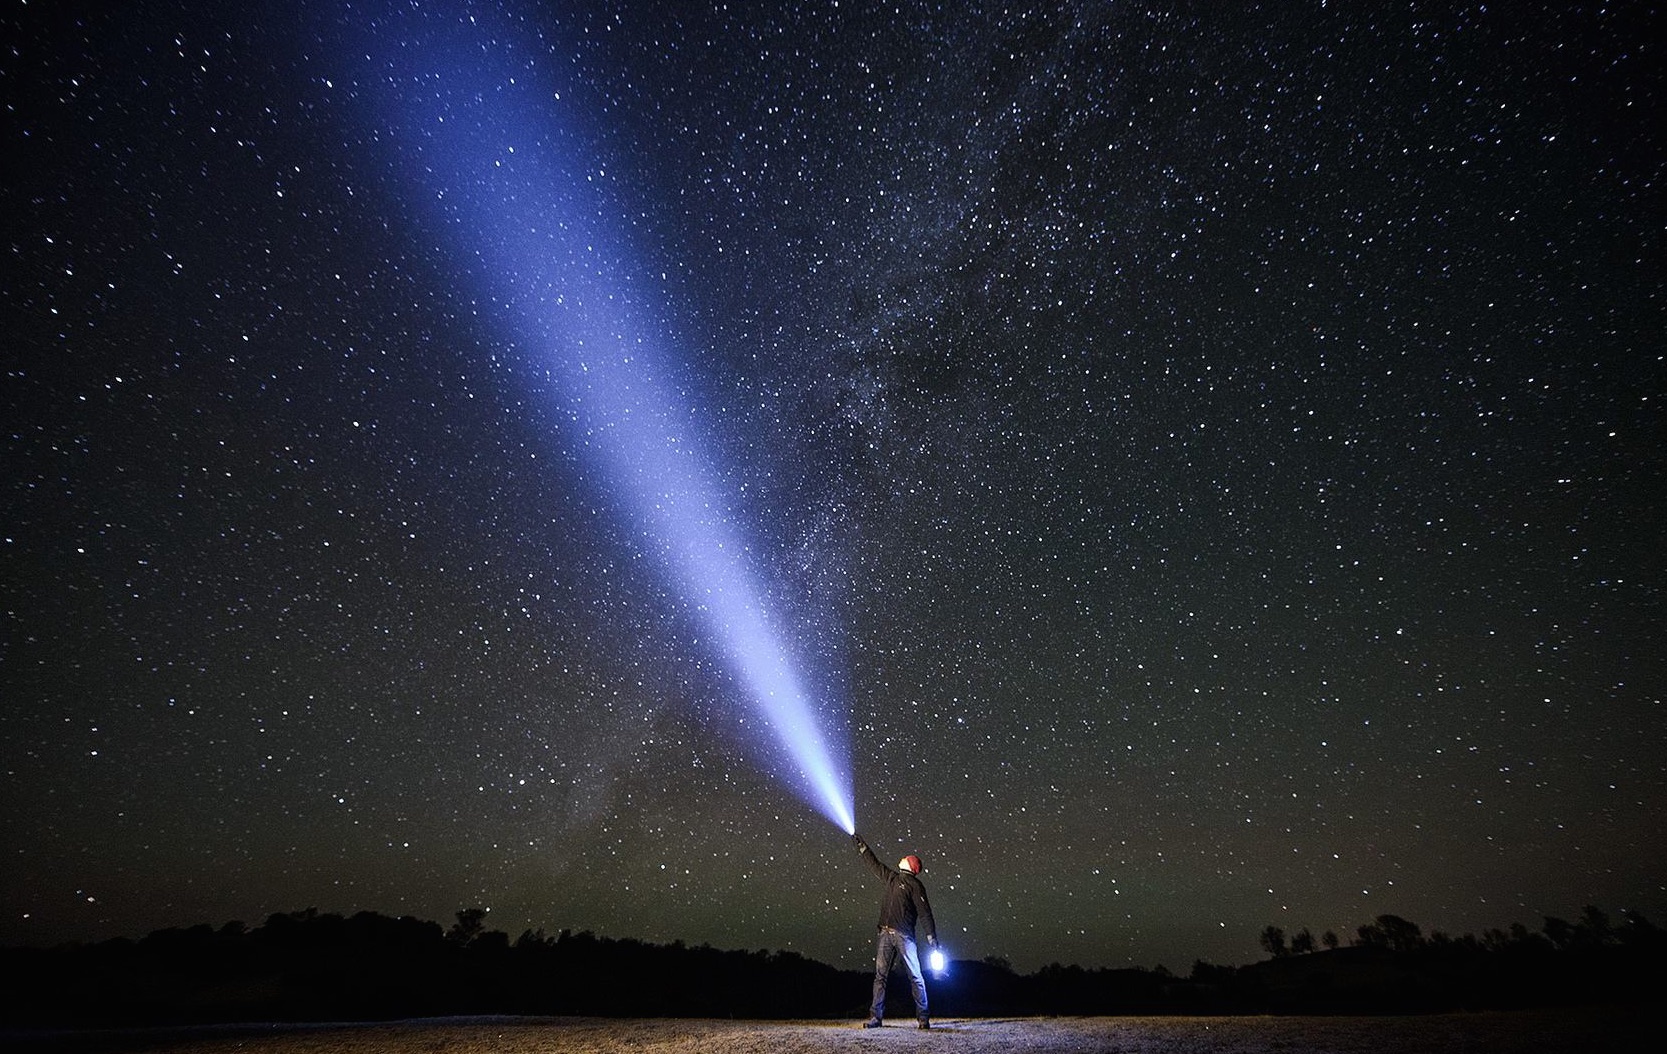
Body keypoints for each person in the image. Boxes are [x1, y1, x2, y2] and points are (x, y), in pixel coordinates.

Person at [850, 830, 939, 1029]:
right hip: (884, 933)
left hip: (904, 935)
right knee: (880, 976)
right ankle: (876, 1018)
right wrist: (862, 847)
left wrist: (931, 936)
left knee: (915, 976)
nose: (901, 859)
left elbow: (925, 912)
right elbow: (875, 865)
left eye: (905, 858)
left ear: (910, 865)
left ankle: (923, 1019)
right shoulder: (892, 878)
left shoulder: (915, 885)